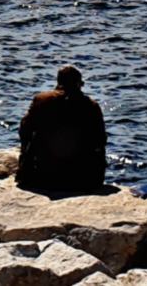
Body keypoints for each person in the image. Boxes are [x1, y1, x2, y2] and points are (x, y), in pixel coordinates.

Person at [17, 65, 108, 195]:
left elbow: (24, 130)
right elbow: (100, 140)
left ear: (58, 83)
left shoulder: (42, 100)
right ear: (79, 84)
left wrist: (25, 162)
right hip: (82, 181)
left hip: (42, 177)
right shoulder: (91, 106)